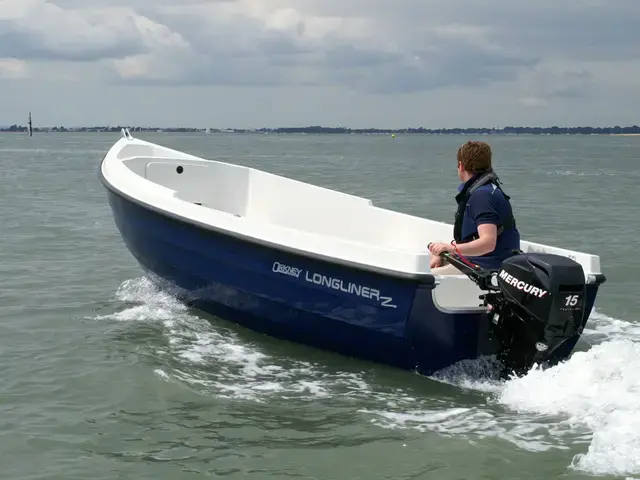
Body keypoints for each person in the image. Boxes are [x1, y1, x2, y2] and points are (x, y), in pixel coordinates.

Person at [428, 140, 520, 275]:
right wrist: (445, 252)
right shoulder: (487, 189)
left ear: (461, 166)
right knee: (430, 257)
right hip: (480, 259)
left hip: (486, 268)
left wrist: (452, 249)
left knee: (425, 273)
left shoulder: (482, 196)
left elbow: (488, 243)